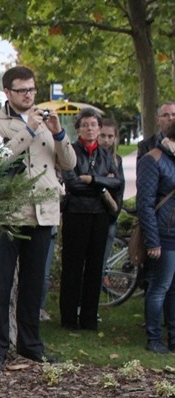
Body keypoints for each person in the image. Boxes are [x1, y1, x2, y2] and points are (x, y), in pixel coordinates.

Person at [0, 66, 76, 366]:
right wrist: (30, 130)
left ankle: (30, 344)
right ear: (7, 92)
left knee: (34, 285)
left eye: (32, 90)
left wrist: (59, 132)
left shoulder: (48, 121)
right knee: (1, 286)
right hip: (9, 214)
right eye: (22, 90)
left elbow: (69, 163)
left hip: (44, 213)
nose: (28, 95)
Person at [59, 109, 122, 330]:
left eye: (93, 124)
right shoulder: (71, 153)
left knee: (95, 268)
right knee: (73, 267)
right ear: (78, 129)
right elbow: (72, 184)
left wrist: (93, 180)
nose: (90, 128)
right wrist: (102, 185)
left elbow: (118, 182)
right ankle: (68, 318)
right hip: (76, 214)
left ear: (99, 127)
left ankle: (89, 318)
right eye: (85, 125)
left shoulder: (106, 155)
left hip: (100, 215)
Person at [136, 119, 175, 353]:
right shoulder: (153, 159)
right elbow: (146, 203)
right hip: (163, 233)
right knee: (160, 287)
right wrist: (153, 241)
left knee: (173, 289)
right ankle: (153, 339)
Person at [98, 118, 126, 270]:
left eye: (110, 136)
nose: (106, 140)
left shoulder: (117, 161)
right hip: (95, 214)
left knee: (102, 261)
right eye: (103, 135)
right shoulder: (93, 158)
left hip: (111, 215)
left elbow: (119, 186)